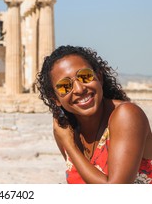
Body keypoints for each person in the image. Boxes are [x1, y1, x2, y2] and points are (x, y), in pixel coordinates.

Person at [36, 45, 152, 184]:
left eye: (85, 76)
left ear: (99, 77)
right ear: (55, 99)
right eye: (65, 86)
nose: (79, 89)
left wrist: (71, 146)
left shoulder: (127, 116)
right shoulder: (67, 131)